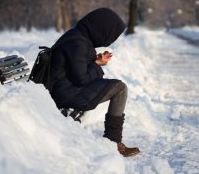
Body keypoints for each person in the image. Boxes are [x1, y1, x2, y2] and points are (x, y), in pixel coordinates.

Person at [49, 8, 140, 157]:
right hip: (67, 94)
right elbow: (81, 79)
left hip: (65, 88)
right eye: (110, 34)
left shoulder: (78, 37)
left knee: (116, 86)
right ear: (101, 28)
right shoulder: (78, 43)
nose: (109, 40)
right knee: (120, 88)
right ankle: (113, 142)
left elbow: (76, 67)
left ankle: (113, 140)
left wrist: (95, 61)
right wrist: (97, 65)